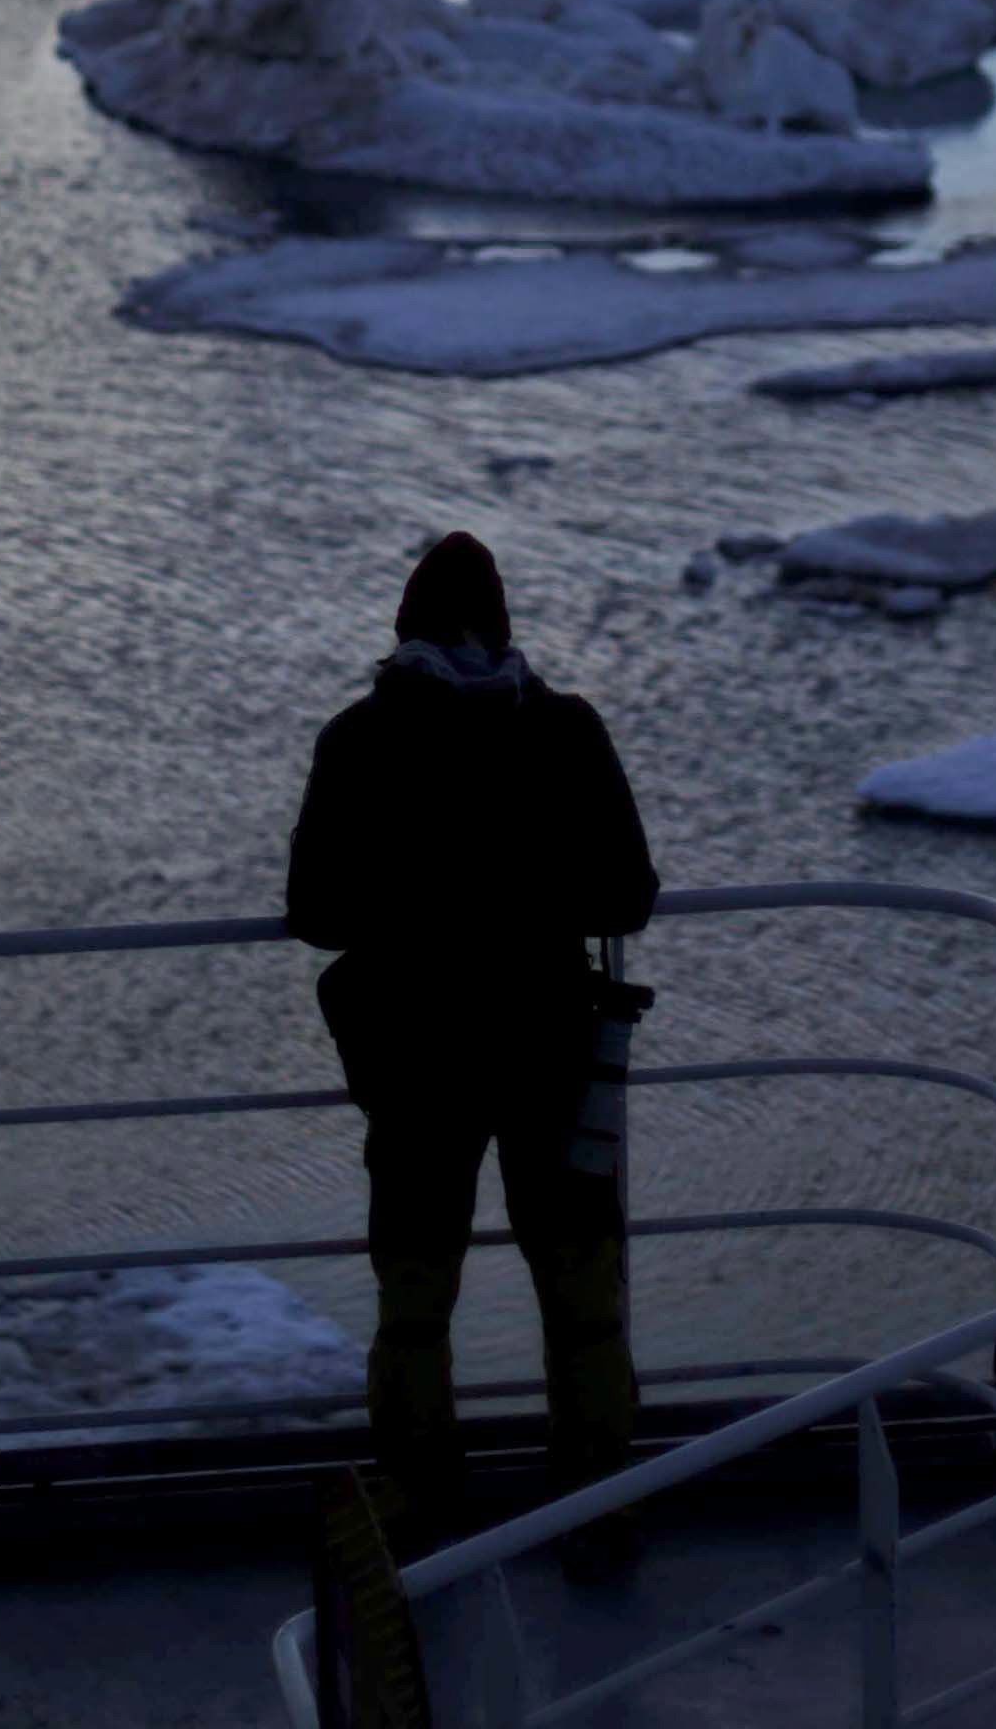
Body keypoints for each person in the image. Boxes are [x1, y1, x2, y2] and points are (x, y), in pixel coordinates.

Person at [283, 532, 659, 1544]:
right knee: (582, 1287)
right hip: (551, 1049)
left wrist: (415, 904)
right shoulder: (568, 729)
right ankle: (596, 1501)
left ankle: (419, 1502)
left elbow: (316, 910)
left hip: (412, 1062)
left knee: (415, 1295)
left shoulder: (358, 738)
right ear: (504, 627)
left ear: (402, 630)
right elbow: (629, 893)